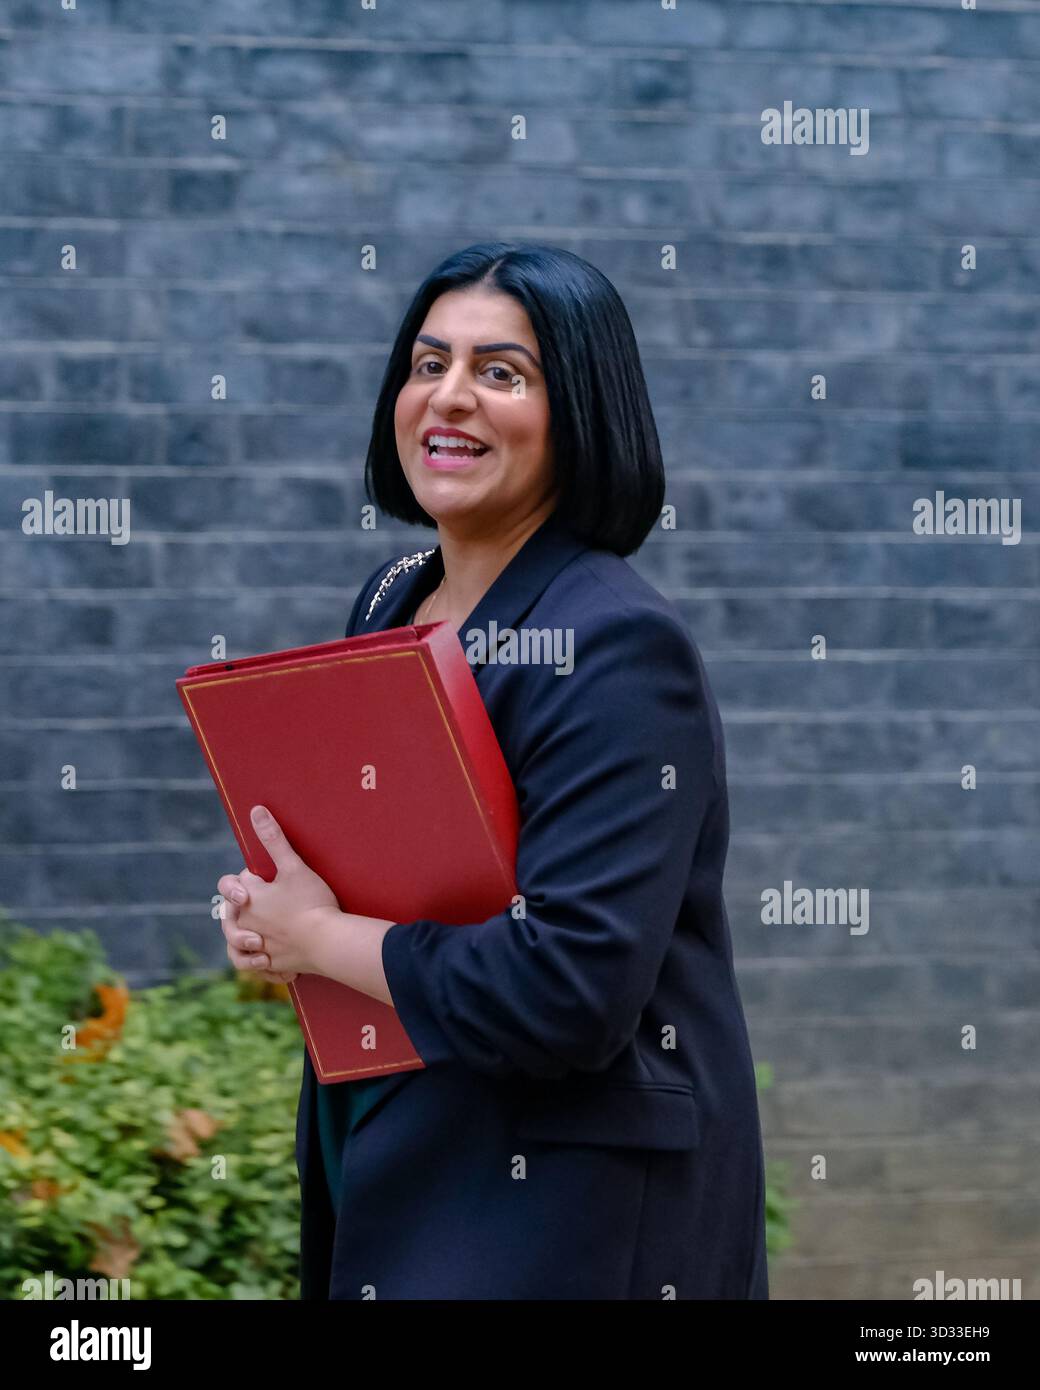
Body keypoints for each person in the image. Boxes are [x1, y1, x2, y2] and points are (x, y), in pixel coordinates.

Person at [217, 241, 769, 1300]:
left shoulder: (613, 642)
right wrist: (270, 923)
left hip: (565, 1209)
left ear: (580, 413)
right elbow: (381, 877)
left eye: (500, 373)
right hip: (401, 1148)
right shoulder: (389, 596)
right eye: (427, 364)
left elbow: (568, 987)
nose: (448, 398)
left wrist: (322, 937)